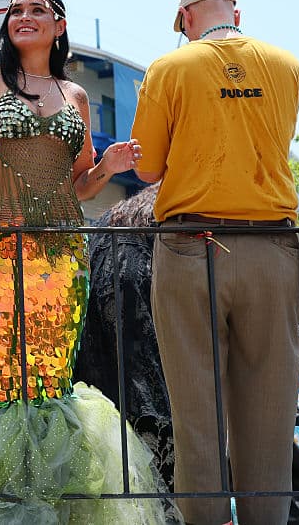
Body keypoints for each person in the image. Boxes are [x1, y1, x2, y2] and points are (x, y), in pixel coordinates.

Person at [0, 0, 169, 522]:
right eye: (15, 11)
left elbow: (78, 183)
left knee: (49, 375)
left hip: (59, 252)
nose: (25, 17)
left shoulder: (75, 95)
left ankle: (51, 496)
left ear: (59, 27)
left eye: (38, 10)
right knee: (3, 376)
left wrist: (107, 168)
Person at [132, 0, 299, 525]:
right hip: (272, 246)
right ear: (236, 11)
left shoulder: (170, 67)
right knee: (272, 411)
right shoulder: (285, 64)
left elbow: (149, 167)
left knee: (196, 414)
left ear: (184, 19)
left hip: (191, 246)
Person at [72, 183, 175, 488]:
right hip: (132, 292)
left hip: (99, 303)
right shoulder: (165, 213)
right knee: (149, 405)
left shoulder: (113, 218)